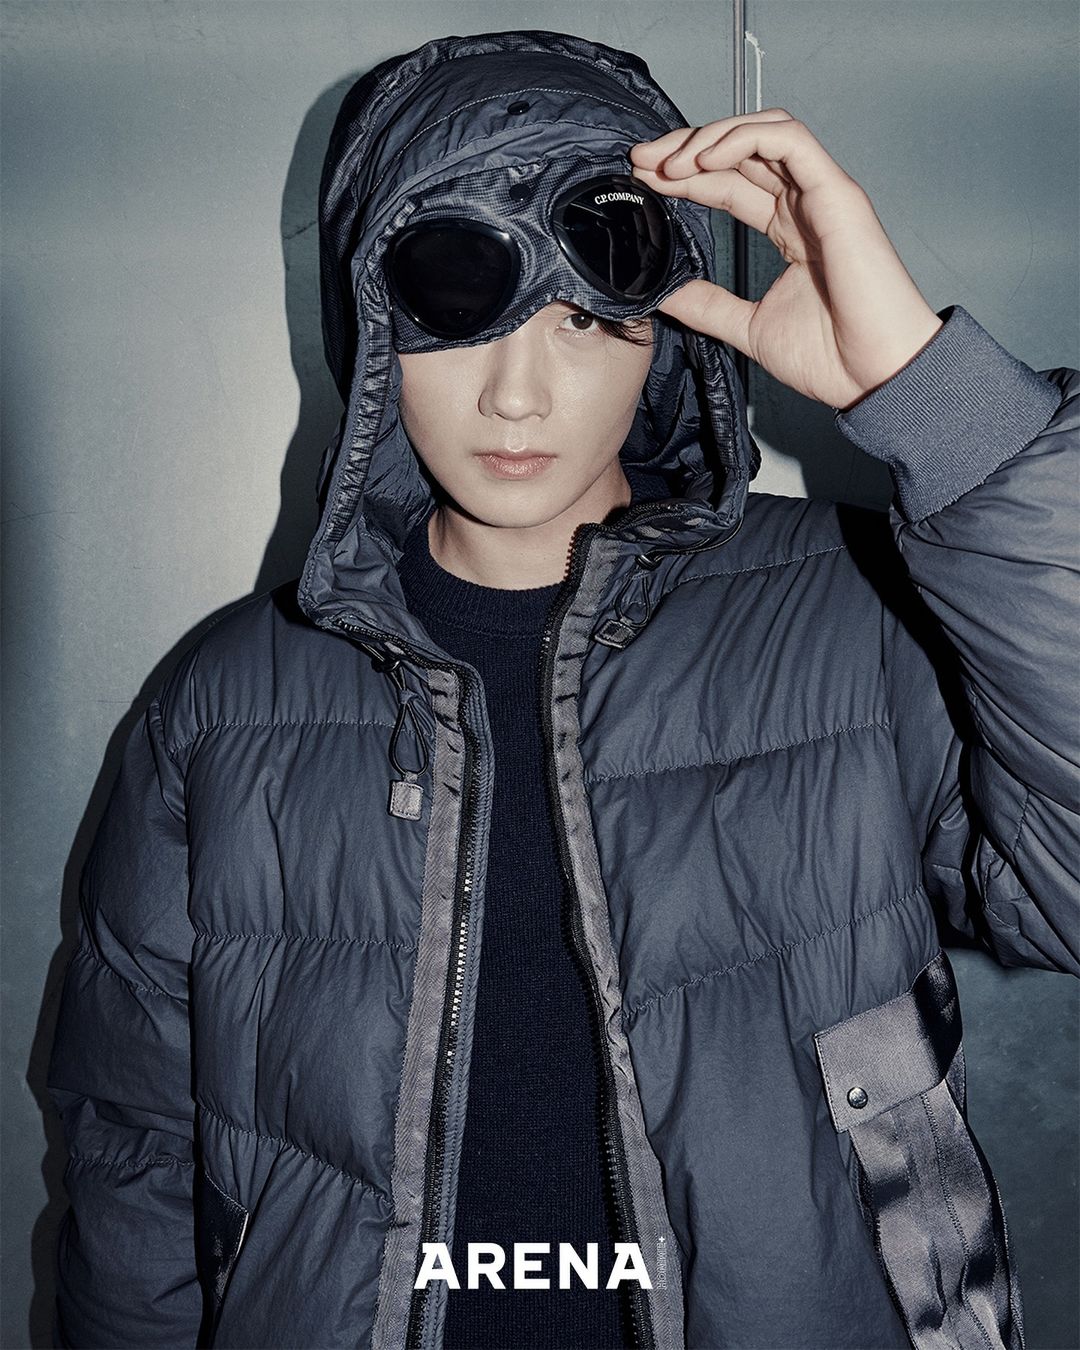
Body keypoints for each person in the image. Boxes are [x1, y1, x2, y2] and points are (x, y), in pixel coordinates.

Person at [46, 26, 1077, 1350]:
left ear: (665, 339)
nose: (519, 395)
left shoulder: (856, 619)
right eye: (459, 309)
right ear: (375, 333)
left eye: (587, 318)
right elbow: (134, 1154)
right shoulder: (225, 700)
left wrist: (933, 402)